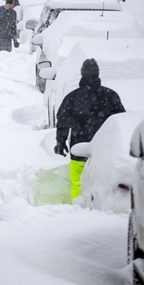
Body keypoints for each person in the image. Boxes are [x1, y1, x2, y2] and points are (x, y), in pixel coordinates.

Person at [54, 59, 126, 202]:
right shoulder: (110, 96)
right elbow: (121, 121)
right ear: (98, 75)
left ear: (81, 76)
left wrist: (60, 141)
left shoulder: (73, 97)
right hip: (104, 153)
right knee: (103, 187)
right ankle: (102, 214)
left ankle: (78, 210)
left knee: (78, 185)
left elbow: (62, 120)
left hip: (79, 149)